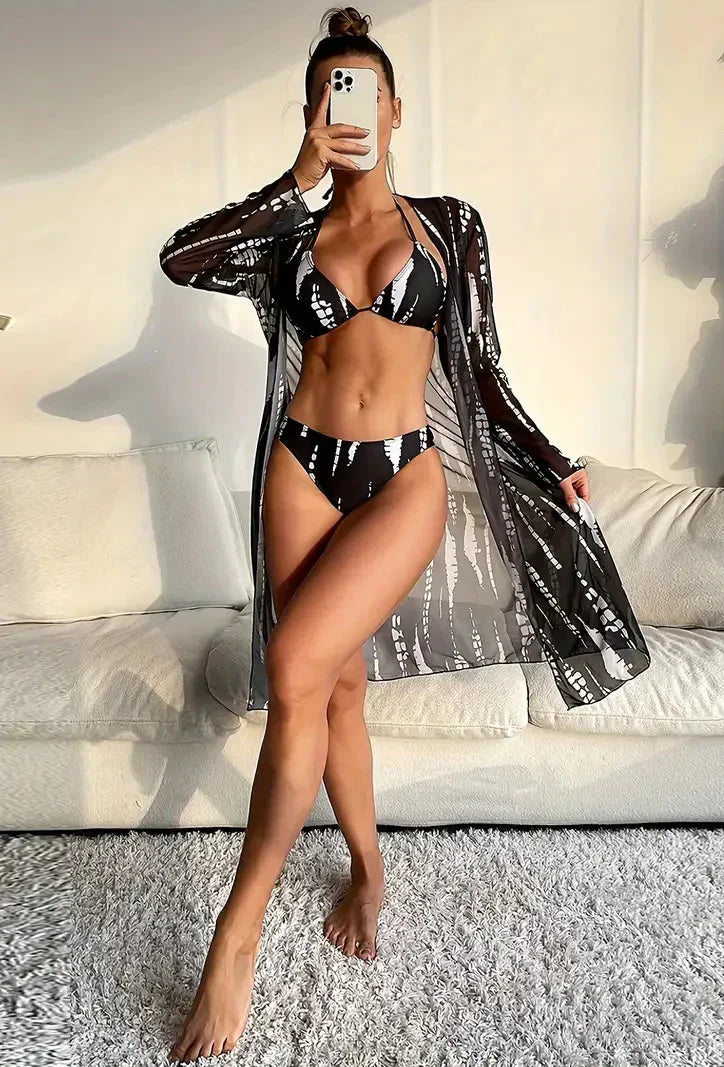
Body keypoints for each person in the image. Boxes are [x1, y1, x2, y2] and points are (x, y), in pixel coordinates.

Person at [160, 6, 650, 1061]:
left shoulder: (447, 226)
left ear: (393, 111)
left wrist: (547, 453)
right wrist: (295, 178)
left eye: (362, 92)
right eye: (325, 96)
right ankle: (369, 868)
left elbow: (480, 365)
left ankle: (237, 930)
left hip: (402, 477)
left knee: (294, 664)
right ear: (310, 113)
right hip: (301, 468)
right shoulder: (290, 235)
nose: (347, 110)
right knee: (332, 684)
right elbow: (182, 259)